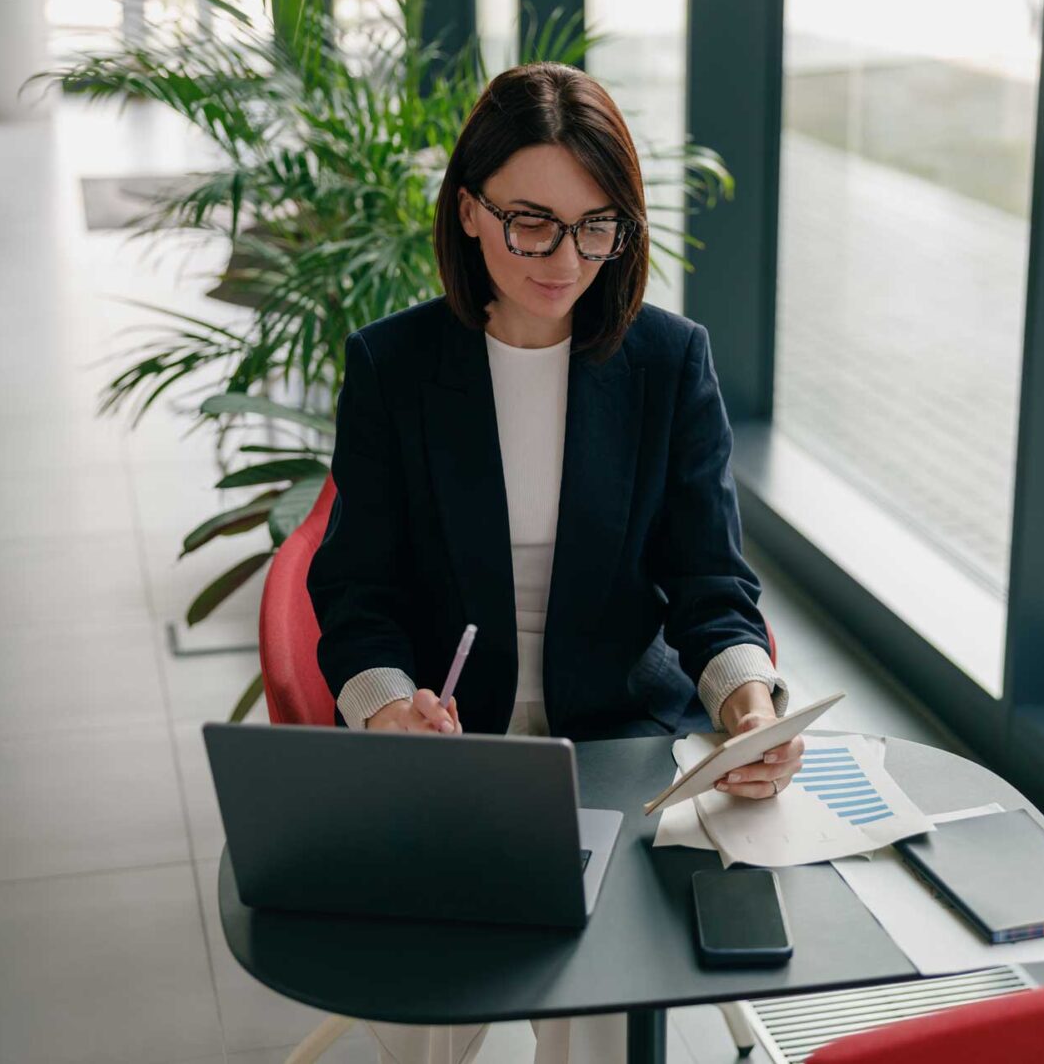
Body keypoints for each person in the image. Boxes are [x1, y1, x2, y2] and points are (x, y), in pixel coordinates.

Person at [306, 60, 801, 1064]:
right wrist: (389, 703)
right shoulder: (393, 369)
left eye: (594, 225)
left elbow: (711, 584)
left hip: (616, 756)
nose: (564, 258)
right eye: (531, 221)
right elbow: (355, 591)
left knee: (598, 1005)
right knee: (435, 1013)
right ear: (471, 212)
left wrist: (749, 705)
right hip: (452, 758)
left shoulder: (668, 362)